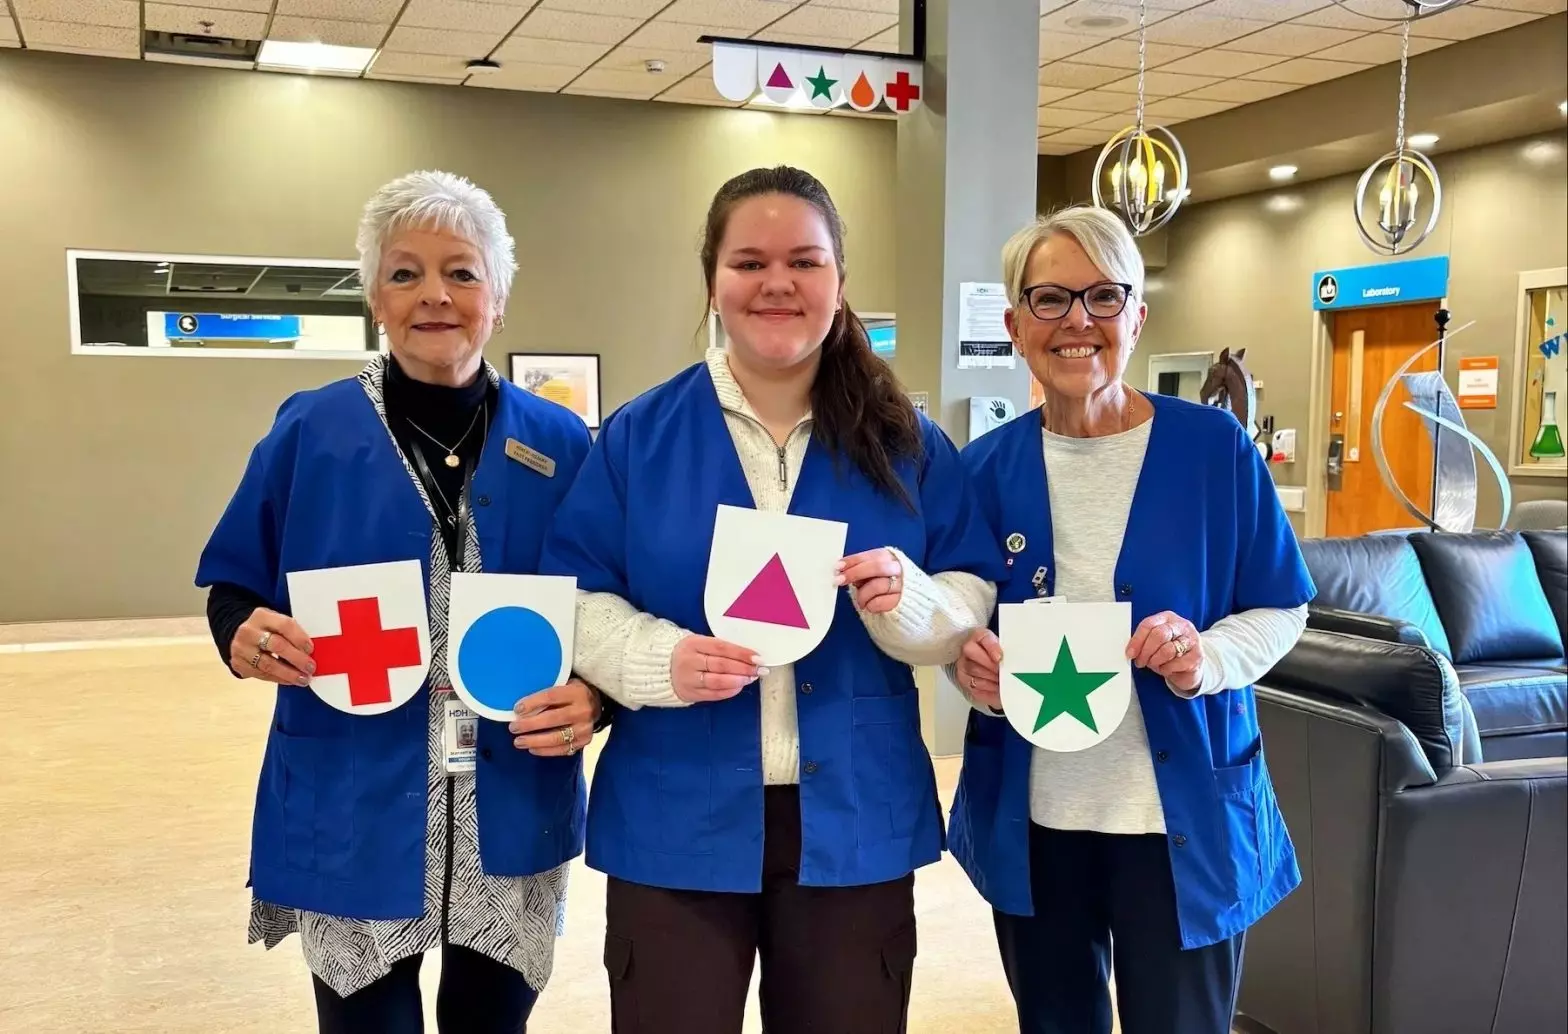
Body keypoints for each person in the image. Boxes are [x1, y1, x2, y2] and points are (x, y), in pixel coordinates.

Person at [538, 165, 1008, 1033]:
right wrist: (661, 661)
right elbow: (577, 597)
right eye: (749, 262)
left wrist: (911, 603)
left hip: (854, 819)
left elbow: (971, 594)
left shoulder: (908, 440)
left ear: (840, 281)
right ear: (712, 281)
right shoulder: (639, 440)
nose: (778, 283)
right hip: (675, 816)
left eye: (805, 260)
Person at [195, 170, 601, 1034]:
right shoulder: (310, 429)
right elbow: (235, 583)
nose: (435, 297)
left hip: (511, 788)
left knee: (494, 1024)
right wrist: (241, 629)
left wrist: (594, 697)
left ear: (497, 296)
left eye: (461, 272)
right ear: (375, 295)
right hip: (353, 786)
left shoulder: (561, 443)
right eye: (405, 272)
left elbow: (606, 604)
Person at [947, 205, 1314, 1034]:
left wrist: (1205, 656)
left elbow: (1281, 604)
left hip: (1174, 816)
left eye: (1104, 296)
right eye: (1050, 299)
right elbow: (963, 618)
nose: (1078, 321)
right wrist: (966, 670)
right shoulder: (983, 468)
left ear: (1137, 317)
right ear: (1014, 325)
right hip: (1037, 817)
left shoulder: (1213, 449)